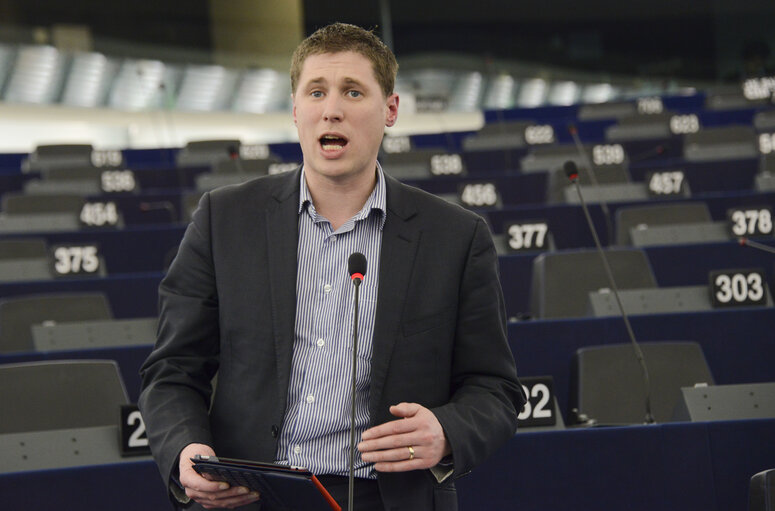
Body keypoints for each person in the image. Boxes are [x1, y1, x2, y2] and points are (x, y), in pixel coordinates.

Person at [139, 22, 524, 511]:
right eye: (316, 92)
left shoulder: (455, 236)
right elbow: (172, 370)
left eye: (353, 91)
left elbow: (495, 389)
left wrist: (446, 431)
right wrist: (185, 453)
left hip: (383, 497)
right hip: (251, 494)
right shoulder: (223, 219)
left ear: (390, 110)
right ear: (296, 110)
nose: (332, 109)